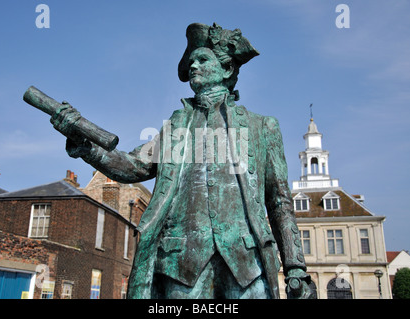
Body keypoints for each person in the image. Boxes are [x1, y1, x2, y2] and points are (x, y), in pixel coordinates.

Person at [51, 22, 312, 299]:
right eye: (191, 61)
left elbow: (279, 201)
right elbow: (133, 166)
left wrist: (295, 265)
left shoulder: (262, 127)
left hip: (247, 263)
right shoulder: (176, 126)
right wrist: (84, 143)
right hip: (182, 264)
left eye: (202, 59)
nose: (193, 66)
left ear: (226, 69)